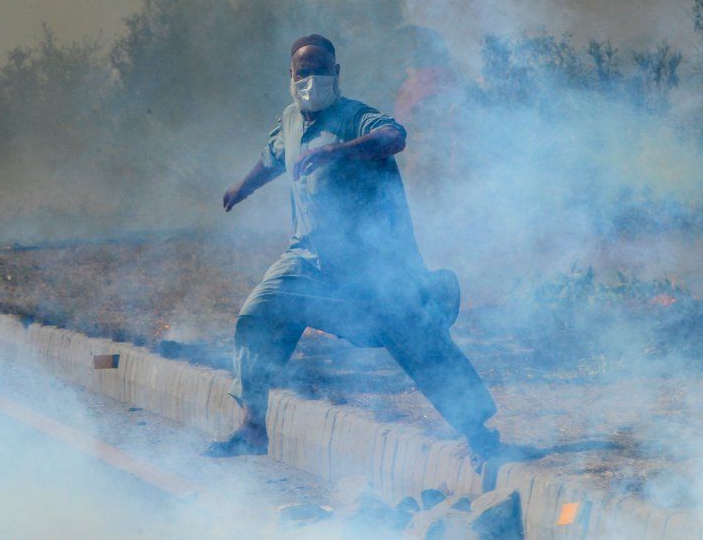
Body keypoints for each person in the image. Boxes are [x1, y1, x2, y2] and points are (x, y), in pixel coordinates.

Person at [212, 34, 502, 466]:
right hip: (307, 260)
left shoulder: (354, 117)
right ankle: (252, 427)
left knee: (417, 337)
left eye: (321, 69)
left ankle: (479, 436)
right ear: (291, 76)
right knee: (259, 314)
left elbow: (394, 136)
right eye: (303, 72)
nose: (312, 79)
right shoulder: (291, 120)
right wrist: (242, 188)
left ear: (337, 73)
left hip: (372, 268)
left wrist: (339, 151)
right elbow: (273, 157)